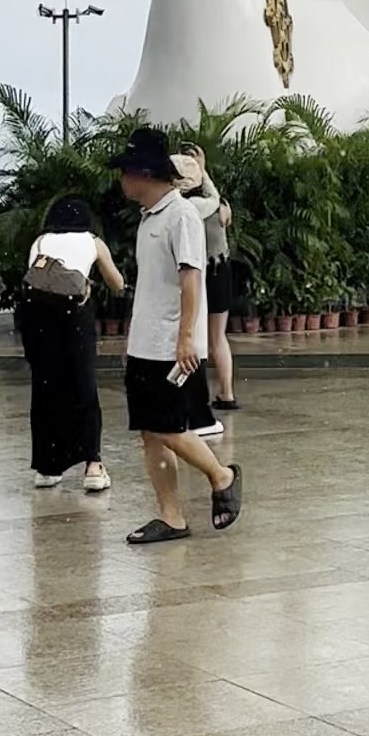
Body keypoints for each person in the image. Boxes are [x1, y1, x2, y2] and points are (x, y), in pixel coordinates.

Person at [112, 127, 242, 544]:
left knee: (167, 427)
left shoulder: (182, 216)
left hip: (172, 344)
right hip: (146, 344)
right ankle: (171, 516)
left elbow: (191, 279)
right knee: (150, 432)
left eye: (126, 172)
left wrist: (187, 338)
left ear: (144, 174)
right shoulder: (149, 218)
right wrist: (133, 341)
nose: (121, 181)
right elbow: (153, 286)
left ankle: (221, 476)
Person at [22, 198, 123, 492]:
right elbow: (117, 283)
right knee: (83, 387)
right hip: (73, 318)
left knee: (45, 389)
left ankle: (47, 467)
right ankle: (92, 465)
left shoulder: (41, 242)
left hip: (36, 321)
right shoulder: (92, 241)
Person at [172, 146, 238, 414]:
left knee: (190, 336)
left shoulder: (182, 208)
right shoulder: (217, 204)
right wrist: (203, 167)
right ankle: (227, 393)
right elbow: (214, 197)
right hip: (221, 271)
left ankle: (188, 394)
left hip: (196, 275)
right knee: (217, 337)